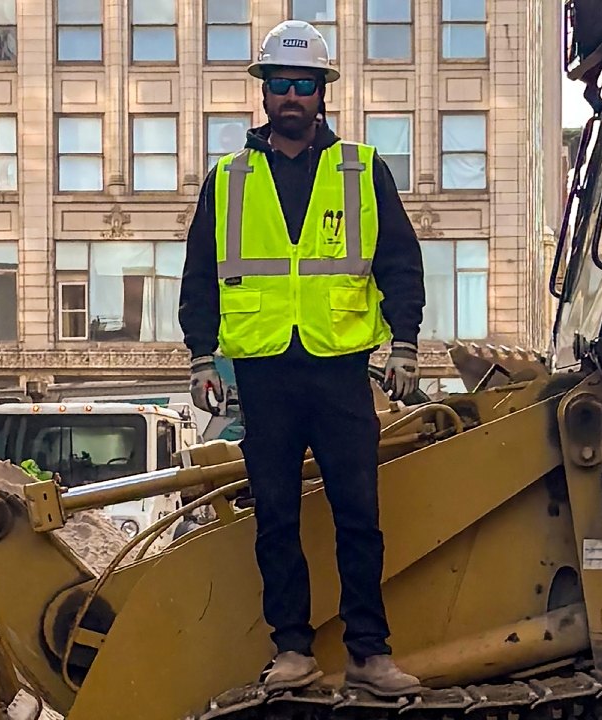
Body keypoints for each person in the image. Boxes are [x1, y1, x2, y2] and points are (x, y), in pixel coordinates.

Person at [177, 20, 427, 698]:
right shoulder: (227, 180)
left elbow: (401, 263)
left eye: (304, 84)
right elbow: (199, 274)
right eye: (281, 84)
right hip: (263, 373)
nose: (291, 95)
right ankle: (292, 648)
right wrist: (202, 358)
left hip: (341, 369)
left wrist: (404, 341)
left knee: (358, 514)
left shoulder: (362, 170)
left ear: (321, 93)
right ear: (264, 93)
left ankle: (369, 653)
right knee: (277, 516)